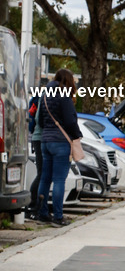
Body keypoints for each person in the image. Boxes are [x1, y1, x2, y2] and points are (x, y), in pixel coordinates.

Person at [36, 68, 82, 227]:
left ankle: (42, 213)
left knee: (45, 178)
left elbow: (40, 120)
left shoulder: (45, 95)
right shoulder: (64, 96)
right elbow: (70, 121)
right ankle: (58, 216)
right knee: (59, 180)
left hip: (45, 141)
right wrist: (76, 135)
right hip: (61, 142)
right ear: (68, 81)